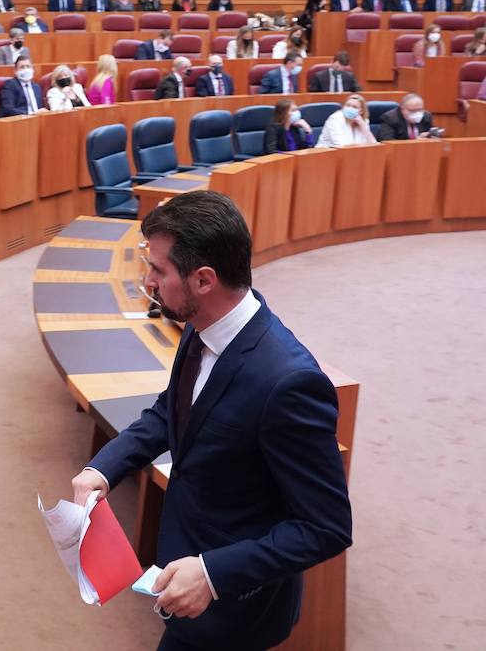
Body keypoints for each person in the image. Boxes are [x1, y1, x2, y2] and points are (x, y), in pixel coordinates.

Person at [72, 191, 351, 649]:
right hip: (182, 568)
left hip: (236, 610)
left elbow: (326, 528)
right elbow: (172, 412)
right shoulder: (202, 327)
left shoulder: (289, 383)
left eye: (158, 271)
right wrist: (103, 467)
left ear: (203, 280)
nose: (148, 281)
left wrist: (213, 574)